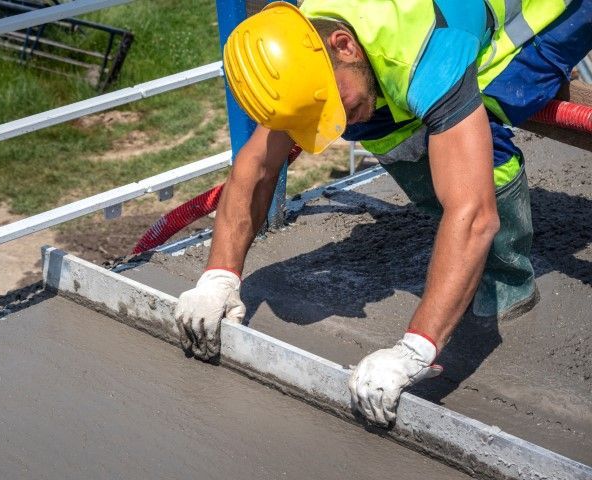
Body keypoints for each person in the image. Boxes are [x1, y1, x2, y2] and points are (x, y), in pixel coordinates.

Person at [174, 0, 592, 426]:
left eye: (331, 102)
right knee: (365, 111)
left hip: (545, 11)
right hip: (437, 33)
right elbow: (259, 165)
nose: (333, 124)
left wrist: (415, 349)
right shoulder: (309, 47)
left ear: (345, 46)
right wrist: (218, 279)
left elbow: (474, 213)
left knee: (484, 137)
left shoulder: (426, 59)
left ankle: (508, 283)